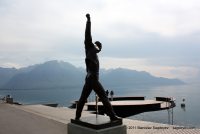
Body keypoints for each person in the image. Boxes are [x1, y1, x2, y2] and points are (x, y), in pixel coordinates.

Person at [75, 14, 121, 121]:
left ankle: (77, 116)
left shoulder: (95, 54)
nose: (98, 48)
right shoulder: (89, 47)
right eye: (97, 46)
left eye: (99, 47)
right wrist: (89, 21)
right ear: (94, 44)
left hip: (90, 79)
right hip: (92, 79)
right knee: (104, 97)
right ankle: (112, 116)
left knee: (83, 98)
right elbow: (87, 34)